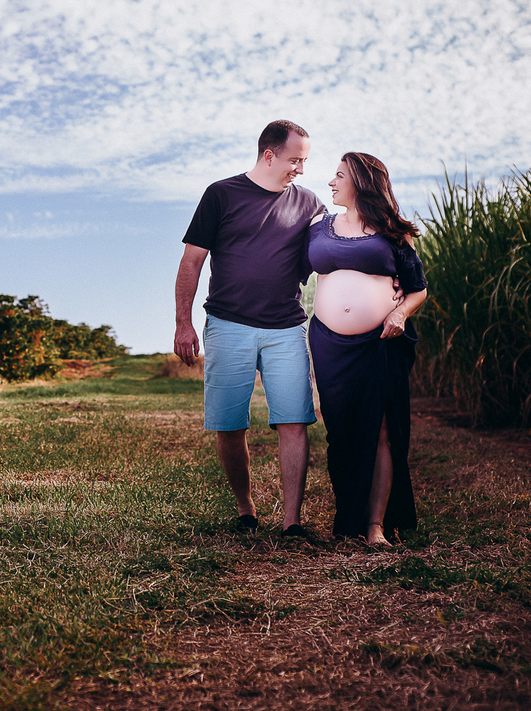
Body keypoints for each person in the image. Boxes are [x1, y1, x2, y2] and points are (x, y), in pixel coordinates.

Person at [175, 120, 325, 536]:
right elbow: (192, 262)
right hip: (227, 325)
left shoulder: (310, 204)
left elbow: (334, 249)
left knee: (295, 419)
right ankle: (246, 509)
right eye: (295, 160)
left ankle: (292, 522)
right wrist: (183, 323)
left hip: (286, 328)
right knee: (228, 424)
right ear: (269, 154)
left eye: (305, 161)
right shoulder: (221, 194)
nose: (300, 169)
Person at [306, 152, 428, 546]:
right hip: (328, 344)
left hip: (379, 343)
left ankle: (374, 525)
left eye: (338, 175)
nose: (330, 182)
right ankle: (348, 519)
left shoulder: (393, 231)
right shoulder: (318, 227)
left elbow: (417, 289)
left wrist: (400, 314)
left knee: (379, 430)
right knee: (340, 432)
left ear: (360, 181)